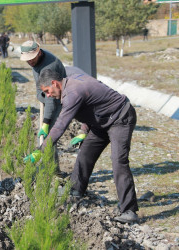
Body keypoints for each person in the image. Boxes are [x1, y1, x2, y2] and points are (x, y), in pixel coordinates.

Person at [32, 68, 139, 224]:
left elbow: (60, 126)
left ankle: (129, 210)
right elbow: (93, 102)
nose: (48, 95)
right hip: (100, 122)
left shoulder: (72, 93)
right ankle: (75, 189)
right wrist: (84, 130)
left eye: (48, 91)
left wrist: (41, 150)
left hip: (120, 118)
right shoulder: (71, 82)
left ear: (55, 83)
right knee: (85, 154)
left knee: (118, 161)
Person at [20, 40, 67, 174]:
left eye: (31, 59)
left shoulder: (49, 68)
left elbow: (51, 99)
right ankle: (49, 167)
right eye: (27, 60)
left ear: (39, 53)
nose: (30, 62)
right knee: (46, 136)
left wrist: (46, 122)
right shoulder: (38, 59)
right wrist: (41, 96)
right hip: (47, 96)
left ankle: (53, 171)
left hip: (56, 99)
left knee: (49, 136)